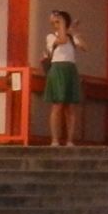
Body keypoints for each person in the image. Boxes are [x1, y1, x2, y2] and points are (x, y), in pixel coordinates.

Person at [42, 10, 86, 148]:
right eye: (54, 22)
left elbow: (84, 47)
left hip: (70, 69)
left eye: (58, 22)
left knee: (70, 107)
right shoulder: (50, 37)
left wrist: (74, 31)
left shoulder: (71, 37)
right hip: (57, 69)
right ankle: (55, 140)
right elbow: (61, 40)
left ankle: (70, 140)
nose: (55, 25)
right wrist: (64, 26)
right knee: (57, 105)